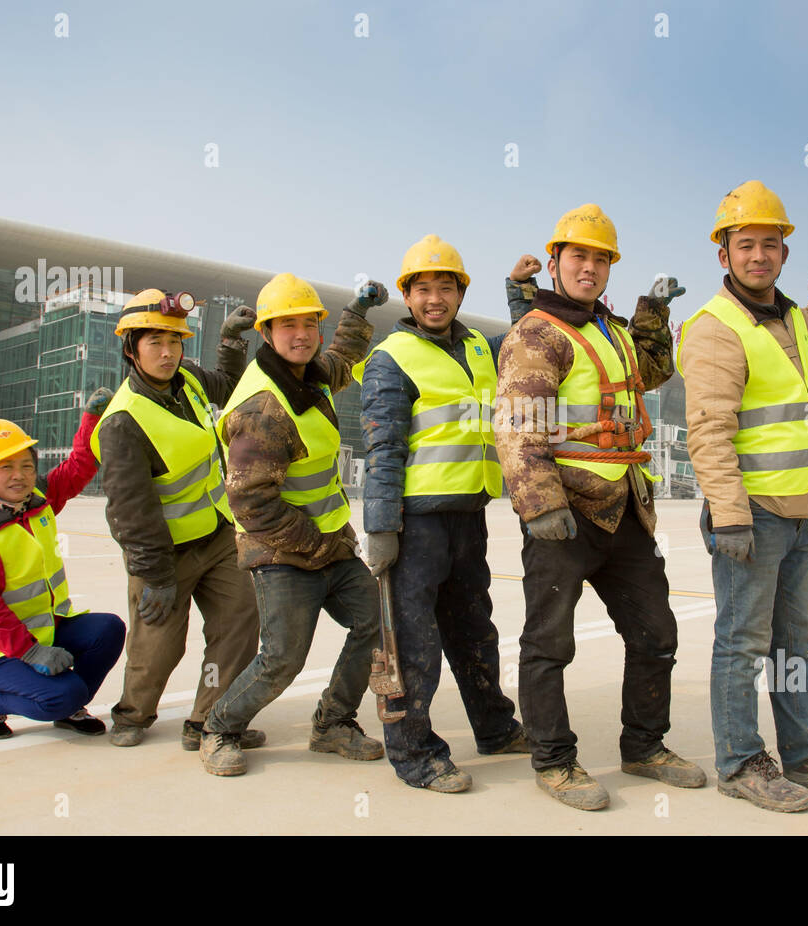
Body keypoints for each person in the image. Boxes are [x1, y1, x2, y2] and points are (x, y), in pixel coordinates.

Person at [676, 180, 808, 813]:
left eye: (770, 244)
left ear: (782, 254)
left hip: (798, 511)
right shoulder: (715, 329)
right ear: (724, 254)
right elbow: (708, 431)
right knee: (742, 642)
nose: (758, 255)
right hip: (752, 517)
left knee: (796, 641)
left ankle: (804, 751)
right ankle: (739, 762)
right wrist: (730, 517)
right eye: (746, 245)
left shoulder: (790, 318)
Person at [494, 203, 703, 811]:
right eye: (579, 256)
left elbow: (654, 370)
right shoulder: (537, 332)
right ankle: (555, 760)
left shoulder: (610, 331)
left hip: (626, 513)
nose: (589, 267)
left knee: (655, 634)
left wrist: (653, 312)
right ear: (555, 262)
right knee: (549, 644)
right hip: (566, 516)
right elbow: (517, 423)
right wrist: (539, 504)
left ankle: (644, 747)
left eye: (600, 259)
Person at [355, 235, 529, 794]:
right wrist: (381, 528)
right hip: (415, 523)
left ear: (459, 293)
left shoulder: (478, 346)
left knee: (475, 628)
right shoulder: (390, 358)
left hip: (467, 515)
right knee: (413, 643)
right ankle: (413, 753)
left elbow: (526, 343)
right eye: (423, 289)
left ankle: (495, 727)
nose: (435, 299)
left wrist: (519, 292)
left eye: (445, 287)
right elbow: (383, 449)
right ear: (406, 296)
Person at [198, 273, 387, 776]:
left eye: (309, 324)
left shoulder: (307, 374)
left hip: (329, 545)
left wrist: (358, 312)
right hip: (282, 553)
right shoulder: (263, 406)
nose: (301, 334)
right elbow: (253, 504)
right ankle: (218, 727)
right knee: (282, 659)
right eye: (288, 326)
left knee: (374, 624)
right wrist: (315, 544)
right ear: (266, 333)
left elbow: (343, 361)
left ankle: (332, 723)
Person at [92, 288, 265, 750]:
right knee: (159, 645)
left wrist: (230, 340)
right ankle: (133, 715)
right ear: (131, 349)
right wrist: (155, 575)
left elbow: (226, 387)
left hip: (216, 534)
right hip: (163, 553)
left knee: (239, 621)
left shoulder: (187, 380)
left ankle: (211, 719)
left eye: (175, 342)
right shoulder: (122, 423)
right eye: (155, 343)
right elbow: (130, 511)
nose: (169, 353)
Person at [0, 399, 125, 739]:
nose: (19, 476)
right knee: (63, 695)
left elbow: (77, 468)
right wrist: (31, 652)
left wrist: (92, 419)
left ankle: (70, 705)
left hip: (42, 630)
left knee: (107, 630)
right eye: (5, 467)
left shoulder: (34, 500)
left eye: (26, 465)